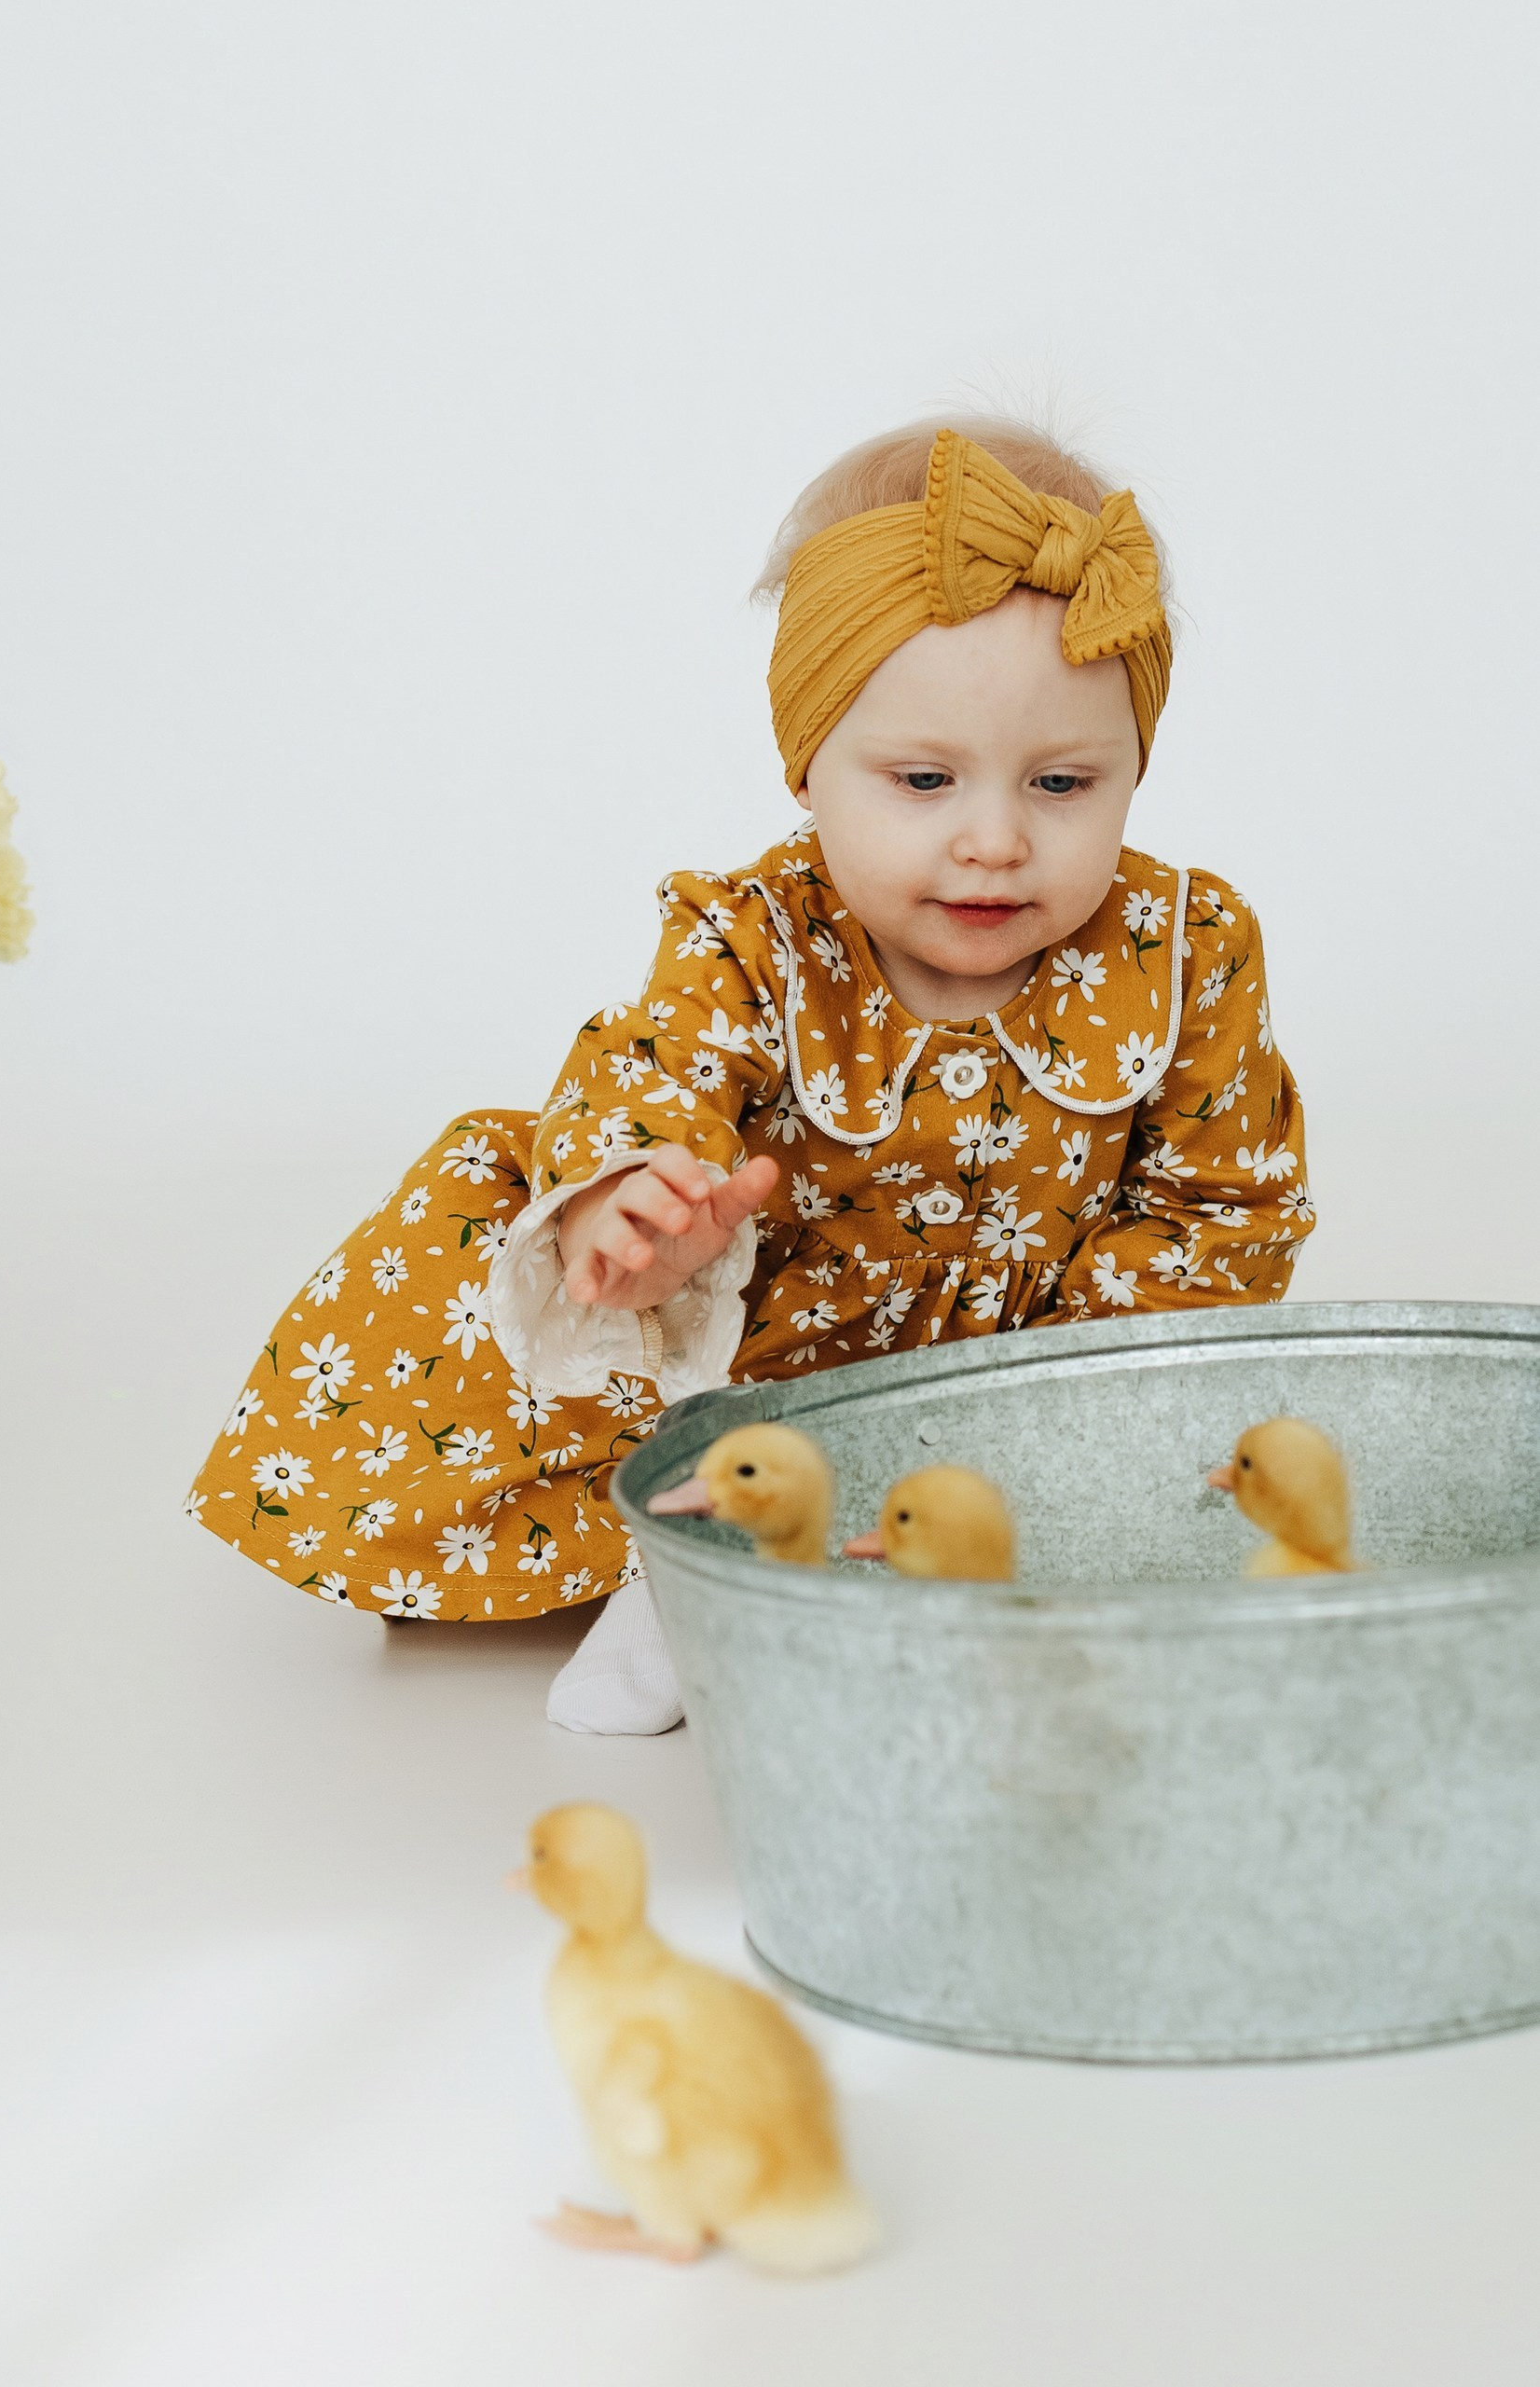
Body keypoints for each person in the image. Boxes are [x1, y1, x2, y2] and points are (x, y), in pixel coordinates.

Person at [186, 419, 1313, 1732]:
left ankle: (943, 1547)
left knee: (1198, 1467)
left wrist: (1063, 1393)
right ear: (809, 767)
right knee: (512, 1281)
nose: (995, 839)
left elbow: (1221, 1201)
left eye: (1064, 781)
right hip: (760, 1337)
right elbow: (648, 1072)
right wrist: (634, 1209)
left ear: (1134, 767)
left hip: (1023, 1361)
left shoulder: (1188, 947)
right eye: (923, 779)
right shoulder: (755, 932)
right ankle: (684, 1554)